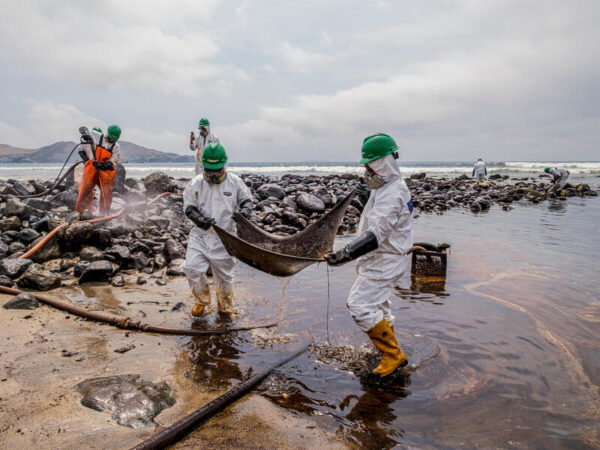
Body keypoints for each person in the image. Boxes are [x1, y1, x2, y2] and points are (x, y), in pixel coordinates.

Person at [325, 133, 413, 378]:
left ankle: (393, 356)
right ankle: (386, 350)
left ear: (382, 163)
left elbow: (376, 235)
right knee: (380, 307)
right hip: (381, 259)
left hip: (385, 261)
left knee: (359, 306)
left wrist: (345, 254)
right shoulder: (387, 187)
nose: (367, 173)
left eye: (370, 168)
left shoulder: (393, 193)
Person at [182, 142, 253, 316]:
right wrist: (199, 219)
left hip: (226, 238)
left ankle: (225, 305)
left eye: (217, 170)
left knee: (225, 276)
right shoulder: (195, 183)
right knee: (191, 268)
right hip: (200, 236)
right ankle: (202, 299)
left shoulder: (235, 182)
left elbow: (246, 200)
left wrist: (245, 211)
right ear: (204, 166)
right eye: (209, 170)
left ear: (224, 164)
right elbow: (189, 207)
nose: (213, 174)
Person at [75, 125, 121, 216]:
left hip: (105, 171)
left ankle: (104, 214)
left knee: (106, 192)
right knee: (85, 190)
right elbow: (86, 133)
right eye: (110, 138)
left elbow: (113, 163)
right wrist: (85, 134)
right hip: (91, 168)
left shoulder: (116, 147)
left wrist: (101, 165)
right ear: (107, 133)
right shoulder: (97, 136)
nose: (112, 141)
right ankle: (82, 213)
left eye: (114, 140)